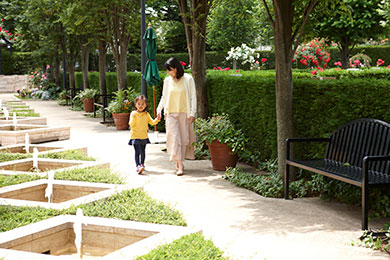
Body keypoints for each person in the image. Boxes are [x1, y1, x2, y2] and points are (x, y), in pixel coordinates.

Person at [157, 57, 197, 176]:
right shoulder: (167, 81)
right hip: (170, 114)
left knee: (184, 139)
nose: (169, 73)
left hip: (184, 113)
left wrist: (192, 113)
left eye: (170, 70)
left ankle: (180, 161)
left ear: (176, 68)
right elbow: (164, 97)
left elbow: (193, 97)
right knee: (174, 138)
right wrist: (159, 109)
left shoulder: (188, 79)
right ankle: (180, 164)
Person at [129, 94, 160, 174]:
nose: (140, 106)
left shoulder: (146, 114)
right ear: (135, 104)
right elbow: (131, 124)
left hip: (144, 136)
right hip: (135, 136)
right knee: (137, 151)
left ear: (146, 105)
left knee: (143, 151)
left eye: (143, 104)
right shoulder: (133, 114)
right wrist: (134, 118)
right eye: (138, 104)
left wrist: (157, 119)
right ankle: (137, 165)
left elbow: (152, 122)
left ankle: (142, 164)